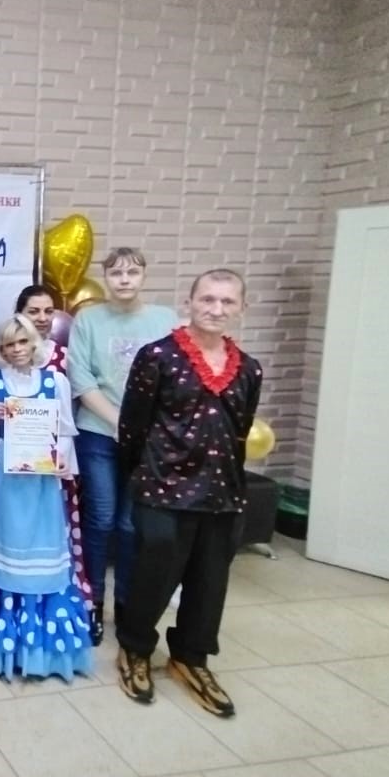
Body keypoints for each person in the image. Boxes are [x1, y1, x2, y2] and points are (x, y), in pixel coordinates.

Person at [115, 269, 261, 718]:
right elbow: (132, 426)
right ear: (190, 302)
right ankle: (135, 649)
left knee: (209, 582)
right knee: (154, 575)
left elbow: (241, 431)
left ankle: (191, 657)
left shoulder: (249, 368)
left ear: (242, 308)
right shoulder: (158, 356)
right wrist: (142, 477)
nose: (216, 309)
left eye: (227, 301)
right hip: (162, 488)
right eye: (208, 299)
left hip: (223, 492)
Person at [0, 315, 93, 682]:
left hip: (42, 481)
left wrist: (62, 464)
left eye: (22, 342)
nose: (17, 350)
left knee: (45, 552)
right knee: (9, 550)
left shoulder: (55, 381)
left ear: (34, 343)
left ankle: (45, 644)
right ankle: (9, 642)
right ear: (1, 349)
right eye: (9, 344)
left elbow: (65, 430)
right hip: (6, 481)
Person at [66, 248, 178, 644]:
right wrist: (119, 423)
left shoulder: (165, 320)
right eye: (116, 273)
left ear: (144, 275)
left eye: (132, 272)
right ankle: (93, 602)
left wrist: (141, 429)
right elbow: (81, 378)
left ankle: (128, 604)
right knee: (100, 520)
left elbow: (175, 378)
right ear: (106, 278)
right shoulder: (88, 319)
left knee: (132, 525)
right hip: (98, 431)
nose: (124, 279)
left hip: (147, 440)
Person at [14, 284, 91, 605]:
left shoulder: (65, 357)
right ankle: (16, 592)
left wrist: (64, 459)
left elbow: (71, 413)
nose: (42, 318)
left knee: (54, 530)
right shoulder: (4, 357)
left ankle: (57, 597)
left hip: (52, 462)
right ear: (19, 314)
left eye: (48, 311)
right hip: (14, 466)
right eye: (34, 311)